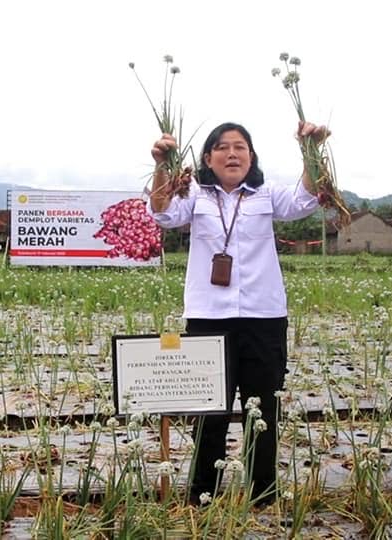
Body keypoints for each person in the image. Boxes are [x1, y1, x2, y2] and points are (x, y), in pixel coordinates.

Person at [148, 121, 330, 505]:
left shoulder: (266, 194)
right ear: (208, 158)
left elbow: (305, 200)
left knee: (262, 409)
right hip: (209, 317)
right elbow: (163, 214)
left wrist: (310, 150)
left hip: (264, 317)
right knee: (209, 411)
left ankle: (263, 495)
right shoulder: (194, 193)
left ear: (251, 155)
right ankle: (203, 496)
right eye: (222, 147)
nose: (232, 154)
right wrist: (162, 164)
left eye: (240, 147)